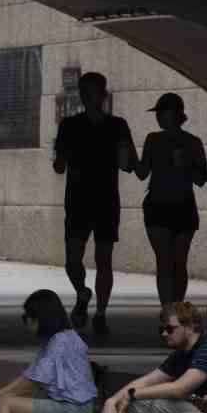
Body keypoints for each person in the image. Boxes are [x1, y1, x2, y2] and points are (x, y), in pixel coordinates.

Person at [52, 72, 138, 337]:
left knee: (104, 259)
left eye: (94, 91)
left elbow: (128, 163)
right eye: (84, 91)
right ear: (81, 94)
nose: (89, 96)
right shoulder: (69, 125)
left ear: (103, 95)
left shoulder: (118, 125)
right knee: (71, 260)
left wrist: (127, 156)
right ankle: (82, 292)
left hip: (106, 201)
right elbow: (59, 165)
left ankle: (100, 312)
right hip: (77, 200)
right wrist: (59, 159)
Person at [135, 93, 207, 306]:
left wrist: (186, 163)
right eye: (157, 113)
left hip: (183, 206)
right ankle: (168, 309)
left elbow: (202, 179)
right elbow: (142, 172)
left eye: (161, 112)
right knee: (164, 261)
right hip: (157, 206)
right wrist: (129, 155)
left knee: (178, 262)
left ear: (176, 115)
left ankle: (177, 307)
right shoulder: (153, 139)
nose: (158, 116)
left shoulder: (193, 143)